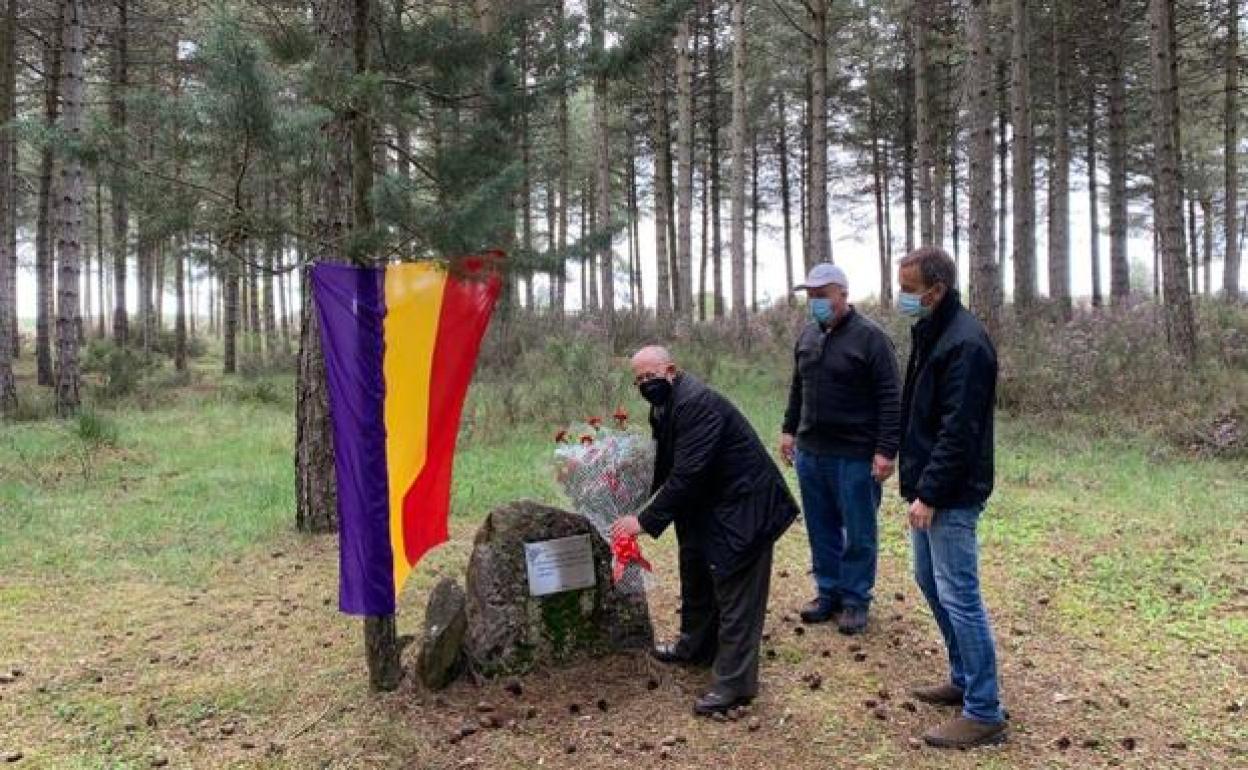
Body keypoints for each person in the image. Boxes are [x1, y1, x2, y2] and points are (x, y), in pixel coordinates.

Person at [611, 345, 798, 716]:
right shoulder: (664, 404)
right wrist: (625, 493)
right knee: (695, 572)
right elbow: (665, 462)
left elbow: (689, 474)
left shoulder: (696, 404)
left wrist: (644, 522)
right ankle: (695, 647)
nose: (645, 384)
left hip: (744, 506)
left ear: (671, 370)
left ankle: (734, 684)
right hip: (707, 506)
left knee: (735, 591)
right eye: (639, 380)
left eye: (650, 375)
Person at [895, 246, 1007, 748]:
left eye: (909, 290)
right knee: (929, 579)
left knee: (960, 595)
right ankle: (962, 677)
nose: (902, 298)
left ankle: (984, 711)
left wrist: (932, 494)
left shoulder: (966, 343)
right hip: (928, 487)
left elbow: (958, 431)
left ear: (936, 291)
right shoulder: (931, 332)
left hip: (951, 494)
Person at [781, 263, 900, 635]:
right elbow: (798, 388)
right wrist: (789, 430)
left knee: (859, 530)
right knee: (820, 527)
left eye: (823, 295)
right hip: (811, 451)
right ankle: (828, 592)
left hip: (856, 454)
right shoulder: (807, 336)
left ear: (843, 295)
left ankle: (855, 599)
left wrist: (886, 450)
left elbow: (890, 398)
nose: (816, 302)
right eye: (811, 296)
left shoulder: (871, 339)